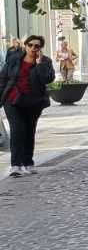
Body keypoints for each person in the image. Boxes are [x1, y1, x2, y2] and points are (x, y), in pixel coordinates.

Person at [2, 35, 54, 177]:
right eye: (30, 45)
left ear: (40, 48)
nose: (33, 48)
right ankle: (15, 165)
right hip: (13, 100)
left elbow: (47, 79)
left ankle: (27, 163)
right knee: (17, 129)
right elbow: (3, 77)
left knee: (29, 131)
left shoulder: (45, 61)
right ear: (25, 45)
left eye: (37, 46)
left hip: (33, 102)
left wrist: (39, 64)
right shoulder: (14, 59)